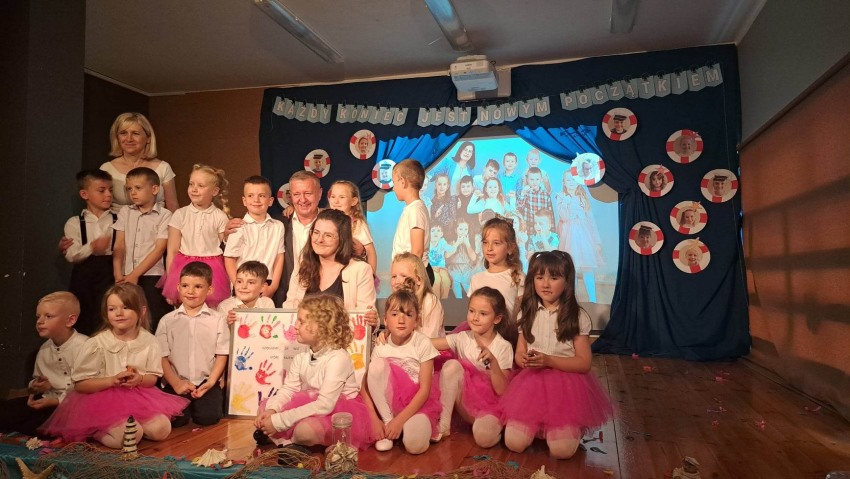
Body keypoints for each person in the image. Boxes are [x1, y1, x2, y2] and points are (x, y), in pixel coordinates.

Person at [39, 283, 188, 448]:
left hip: (138, 397)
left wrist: (139, 379)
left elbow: (152, 378)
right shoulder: (97, 343)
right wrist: (111, 380)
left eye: (126, 307)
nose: (119, 313)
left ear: (142, 311)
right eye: (112, 309)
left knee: (162, 430)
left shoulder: (149, 341)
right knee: (128, 436)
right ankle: (95, 430)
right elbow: (81, 384)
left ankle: (134, 422)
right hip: (102, 399)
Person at [502, 251, 613, 459]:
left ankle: (569, 427)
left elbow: (584, 363)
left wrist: (549, 360)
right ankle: (540, 426)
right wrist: (522, 359)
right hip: (531, 383)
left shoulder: (576, 316)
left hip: (566, 385)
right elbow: (520, 352)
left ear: (567, 281)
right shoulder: (526, 312)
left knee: (562, 452)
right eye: (539, 277)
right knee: (514, 444)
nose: (545, 284)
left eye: (553, 278)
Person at [255, 295, 375, 448]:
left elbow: (325, 405)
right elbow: (289, 389)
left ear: (322, 327)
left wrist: (280, 421)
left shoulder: (338, 358)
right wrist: (273, 410)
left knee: (304, 431)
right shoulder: (301, 357)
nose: (295, 326)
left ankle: (291, 442)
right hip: (314, 407)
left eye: (301, 321)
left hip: (335, 411)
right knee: (263, 410)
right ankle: (290, 441)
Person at [362, 289, 441, 454]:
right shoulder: (381, 345)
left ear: (416, 321)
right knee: (376, 366)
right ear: (385, 320)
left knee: (414, 445)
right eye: (395, 314)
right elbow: (368, 384)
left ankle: (402, 427)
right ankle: (388, 423)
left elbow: (425, 390)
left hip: (417, 406)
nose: (401, 320)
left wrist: (400, 421)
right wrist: (383, 420)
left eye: (408, 315)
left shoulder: (422, 343)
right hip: (389, 408)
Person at [432, 287, 513, 447]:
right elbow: (428, 343)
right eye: (471, 311)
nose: (475, 318)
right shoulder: (462, 338)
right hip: (466, 407)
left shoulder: (503, 347)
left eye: (483, 314)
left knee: (484, 439)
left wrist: (494, 364)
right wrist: (399, 334)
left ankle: (498, 429)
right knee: (451, 365)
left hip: (490, 408)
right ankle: (444, 425)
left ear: (497, 319)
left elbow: (502, 390)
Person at [0, 292, 88, 436]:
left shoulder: (85, 346)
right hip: (48, 399)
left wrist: (56, 401)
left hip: (75, 405)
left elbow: (85, 386)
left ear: (70, 320)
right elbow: (38, 380)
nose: (40, 321)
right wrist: (36, 385)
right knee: (7, 411)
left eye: (48, 316)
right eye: (38, 316)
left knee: (37, 426)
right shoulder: (44, 349)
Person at [156, 262, 230, 427]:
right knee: (176, 420)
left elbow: (221, 354)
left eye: (198, 286)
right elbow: (162, 356)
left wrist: (211, 382)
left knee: (208, 418)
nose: (190, 291)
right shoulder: (167, 321)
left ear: (209, 290)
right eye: (185, 286)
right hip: (176, 381)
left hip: (205, 381)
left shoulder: (218, 320)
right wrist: (176, 383)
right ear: (178, 287)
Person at [282, 209, 377, 318]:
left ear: (342, 239)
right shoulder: (303, 265)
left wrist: (372, 319)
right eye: (316, 233)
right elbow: (289, 310)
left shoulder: (360, 269)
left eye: (328, 235)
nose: (319, 240)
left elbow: (366, 315)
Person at [112, 167, 173, 331]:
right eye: (129, 189)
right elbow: (119, 245)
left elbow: (159, 249)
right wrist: (118, 273)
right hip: (125, 275)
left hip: (152, 275)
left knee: (153, 319)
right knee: (127, 317)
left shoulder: (165, 215)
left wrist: (135, 274)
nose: (133, 193)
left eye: (138, 188)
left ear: (154, 189)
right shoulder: (125, 212)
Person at [162, 164, 230, 308]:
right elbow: (172, 250)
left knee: (211, 309)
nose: (194, 189)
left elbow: (226, 244)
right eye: (191, 184)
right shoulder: (180, 214)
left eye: (200, 186)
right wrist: (171, 281)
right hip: (184, 266)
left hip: (212, 269)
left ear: (214, 191)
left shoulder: (219, 216)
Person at [63, 169, 116, 336]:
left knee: (106, 318)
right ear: (84, 194)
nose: (108, 194)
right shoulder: (74, 223)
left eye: (110, 190)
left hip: (110, 274)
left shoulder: (119, 219)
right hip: (84, 277)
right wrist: (91, 247)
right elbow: (71, 254)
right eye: (101, 190)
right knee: (83, 318)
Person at [99, 112, 178, 213]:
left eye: (135, 133)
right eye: (123, 133)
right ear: (117, 138)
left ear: (148, 138)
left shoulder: (163, 167)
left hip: (156, 222)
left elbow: (173, 207)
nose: (129, 139)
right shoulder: (106, 169)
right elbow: (98, 209)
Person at [224, 176, 285, 300]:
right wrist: (238, 284)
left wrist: (273, 287)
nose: (256, 200)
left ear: (270, 201)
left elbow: (279, 257)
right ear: (244, 200)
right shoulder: (239, 226)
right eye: (250, 196)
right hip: (243, 284)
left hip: (266, 284)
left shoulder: (278, 226)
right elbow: (229, 258)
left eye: (261, 196)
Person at [554, 173, 603, 302]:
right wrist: (566, 203)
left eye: (573, 180)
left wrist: (597, 242)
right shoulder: (561, 197)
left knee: (588, 268)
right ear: (564, 182)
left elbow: (591, 221)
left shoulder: (582, 197)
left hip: (584, 237)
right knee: (572, 268)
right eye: (568, 180)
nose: (571, 182)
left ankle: (593, 299)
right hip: (570, 238)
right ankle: (572, 299)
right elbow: (563, 217)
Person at [469, 218, 525, 320]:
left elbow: (522, 314)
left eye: (496, 243)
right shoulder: (476, 279)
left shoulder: (518, 277)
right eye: (485, 242)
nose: (489, 248)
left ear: (510, 248)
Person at [391, 159, 432, 283]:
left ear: (402, 182)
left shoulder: (415, 210)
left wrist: (409, 278)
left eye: (394, 182)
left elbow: (417, 250)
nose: (393, 188)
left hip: (413, 276)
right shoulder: (412, 209)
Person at [328, 180, 377, 274]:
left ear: (353, 201)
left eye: (342, 197)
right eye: (333, 196)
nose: (336, 201)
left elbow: (370, 251)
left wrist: (372, 275)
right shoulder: (326, 221)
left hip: (352, 273)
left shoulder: (357, 224)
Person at [390, 253, 444, 339]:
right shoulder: (395, 302)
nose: (396, 281)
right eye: (394, 276)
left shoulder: (430, 301)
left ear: (418, 279)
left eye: (403, 276)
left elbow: (430, 338)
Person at [219, 261, 276, 325]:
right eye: (239, 281)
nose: (244, 286)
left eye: (251, 282)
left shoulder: (267, 303)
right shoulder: (225, 307)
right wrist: (227, 324)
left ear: (262, 287)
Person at [446, 219, 479, 299]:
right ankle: (459, 300)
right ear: (456, 230)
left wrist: (467, 244)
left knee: (467, 284)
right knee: (455, 282)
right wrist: (457, 243)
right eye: (460, 229)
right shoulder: (452, 242)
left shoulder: (470, 242)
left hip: (467, 269)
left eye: (465, 229)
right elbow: (447, 255)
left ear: (468, 231)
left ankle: (471, 299)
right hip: (455, 268)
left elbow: (473, 258)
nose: (463, 232)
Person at [516, 167, 553, 234]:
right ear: (527, 180)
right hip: (528, 228)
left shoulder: (546, 195)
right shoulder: (525, 193)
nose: (534, 182)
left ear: (541, 180)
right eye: (532, 179)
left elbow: (550, 214)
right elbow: (519, 208)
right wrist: (522, 194)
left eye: (537, 179)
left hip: (542, 230)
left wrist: (552, 229)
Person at [427, 225, 453, 299]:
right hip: (430, 268)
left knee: (446, 281)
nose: (436, 232)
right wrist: (431, 267)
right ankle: (437, 301)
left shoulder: (442, 242)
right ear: (429, 233)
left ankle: (444, 301)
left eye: (438, 231)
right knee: (436, 281)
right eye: (433, 231)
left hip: (441, 268)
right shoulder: (428, 244)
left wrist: (454, 244)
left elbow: (450, 249)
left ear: (441, 234)